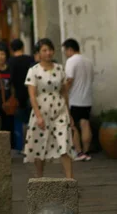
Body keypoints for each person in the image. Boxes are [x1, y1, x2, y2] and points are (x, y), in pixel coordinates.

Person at [24, 38, 74, 179]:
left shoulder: (59, 68)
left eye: (50, 49)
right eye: (44, 50)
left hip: (59, 109)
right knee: (39, 144)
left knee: (64, 142)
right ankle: (39, 178)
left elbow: (64, 91)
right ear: (38, 53)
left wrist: (69, 113)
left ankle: (70, 180)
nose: (48, 53)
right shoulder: (33, 71)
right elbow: (32, 96)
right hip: (41, 110)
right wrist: (38, 116)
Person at [62, 38, 94, 162]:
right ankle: (86, 152)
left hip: (75, 99)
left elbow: (69, 80)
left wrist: (63, 91)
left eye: (65, 51)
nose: (65, 54)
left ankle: (79, 152)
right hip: (87, 98)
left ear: (70, 49)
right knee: (85, 124)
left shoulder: (71, 61)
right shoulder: (89, 61)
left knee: (73, 126)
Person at [9, 39, 35, 142]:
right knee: (31, 120)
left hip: (17, 95)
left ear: (11, 49)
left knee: (19, 121)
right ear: (23, 47)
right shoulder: (30, 59)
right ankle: (32, 142)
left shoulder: (10, 61)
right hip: (31, 93)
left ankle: (22, 144)